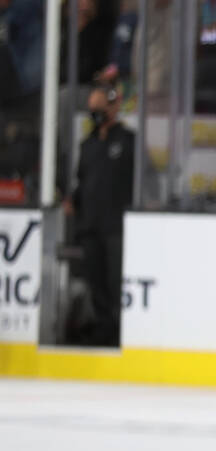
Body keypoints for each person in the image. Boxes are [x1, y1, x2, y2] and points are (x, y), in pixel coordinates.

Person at [69, 83, 135, 347]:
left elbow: (145, 181)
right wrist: (72, 202)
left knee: (115, 279)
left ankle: (120, 329)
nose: (95, 113)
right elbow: (81, 182)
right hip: (90, 226)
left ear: (114, 106)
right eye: (91, 109)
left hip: (116, 225)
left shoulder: (129, 142)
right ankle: (103, 328)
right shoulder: (87, 145)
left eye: (100, 108)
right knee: (95, 280)